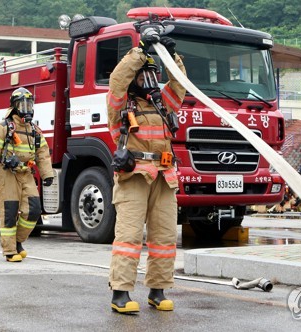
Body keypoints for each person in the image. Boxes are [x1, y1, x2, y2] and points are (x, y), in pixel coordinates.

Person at [106, 30, 186, 314]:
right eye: (143, 76)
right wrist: (140, 51)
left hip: (164, 177)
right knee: (129, 236)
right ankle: (121, 292)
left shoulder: (163, 105)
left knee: (164, 238)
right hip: (134, 177)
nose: (148, 81)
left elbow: (179, 84)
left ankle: (158, 289)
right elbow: (117, 81)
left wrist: (170, 55)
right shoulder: (120, 106)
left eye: (152, 75)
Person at [0, 87, 54, 262]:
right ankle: (9, 250)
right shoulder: (3, 128)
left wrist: (47, 175)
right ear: (14, 106)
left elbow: (42, 153)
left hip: (26, 173)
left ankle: (18, 241)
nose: (26, 108)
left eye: (29, 104)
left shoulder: (35, 130)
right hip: (6, 174)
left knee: (34, 209)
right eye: (22, 104)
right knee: (10, 211)